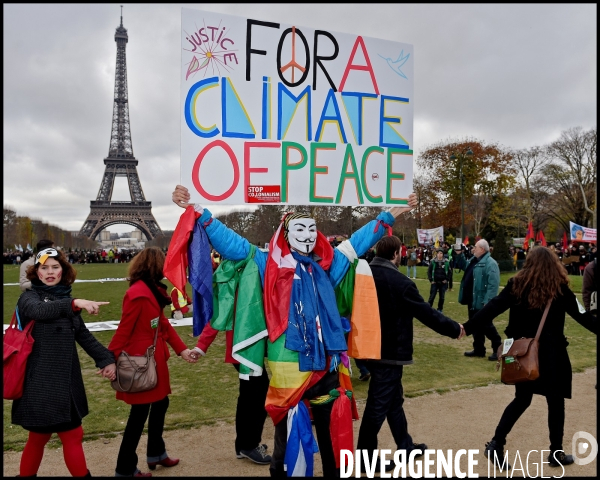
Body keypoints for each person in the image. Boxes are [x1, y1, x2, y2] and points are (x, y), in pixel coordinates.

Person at [171, 184, 417, 477]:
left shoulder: (326, 265)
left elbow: (356, 244)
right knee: (285, 445)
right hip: (287, 370)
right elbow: (232, 244)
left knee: (332, 444)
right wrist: (198, 211)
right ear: (285, 235)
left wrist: (390, 214)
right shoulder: (266, 264)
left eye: (312, 229)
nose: (309, 236)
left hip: (326, 369)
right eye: (300, 229)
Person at [462, 246, 597, 470]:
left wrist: (465, 328)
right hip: (553, 356)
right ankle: (555, 452)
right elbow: (584, 318)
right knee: (555, 403)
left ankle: (497, 443)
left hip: (522, 354)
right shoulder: (559, 288)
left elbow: (492, 308)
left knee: (522, 399)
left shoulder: (517, 285)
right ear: (554, 265)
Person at [356, 236, 464, 470]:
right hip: (390, 351)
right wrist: (454, 328)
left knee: (393, 400)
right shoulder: (400, 282)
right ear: (396, 254)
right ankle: (366, 459)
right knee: (377, 406)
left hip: (368, 347)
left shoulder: (363, 275)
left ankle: (405, 445)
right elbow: (426, 313)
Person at [12, 247, 116, 477]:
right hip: (39, 383)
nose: (50, 272)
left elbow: (84, 336)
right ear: (36, 273)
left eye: (55, 267)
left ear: (63, 271)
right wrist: (74, 303)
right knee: (45, 438)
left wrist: (106, 360)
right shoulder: (28, 298)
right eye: (44, 268)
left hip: (64, 384)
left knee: (61, 437)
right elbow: (39, 310)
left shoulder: (66, 300)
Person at [108, 247, 197, 477]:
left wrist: (182, 350)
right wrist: (108, 360)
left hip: (152, 358)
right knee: (138, 416)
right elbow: (124, 329)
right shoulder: (139, 293)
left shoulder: (150, 291)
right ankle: (125, 467)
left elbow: (163, 324)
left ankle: (155, 452)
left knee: (160, 404)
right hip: (142, 362)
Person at [460, 239, 502, 361]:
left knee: (487, 326)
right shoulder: (474, 261)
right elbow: (463, 266)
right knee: (476, 327)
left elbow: (493, 284)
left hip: (483, 302)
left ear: (482, 249)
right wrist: (458, 254)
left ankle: (497, 349)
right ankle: (479, 349)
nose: (474, 249)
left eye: (476, 247)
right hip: (473, 300)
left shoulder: (490, 263)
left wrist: (488, 301)